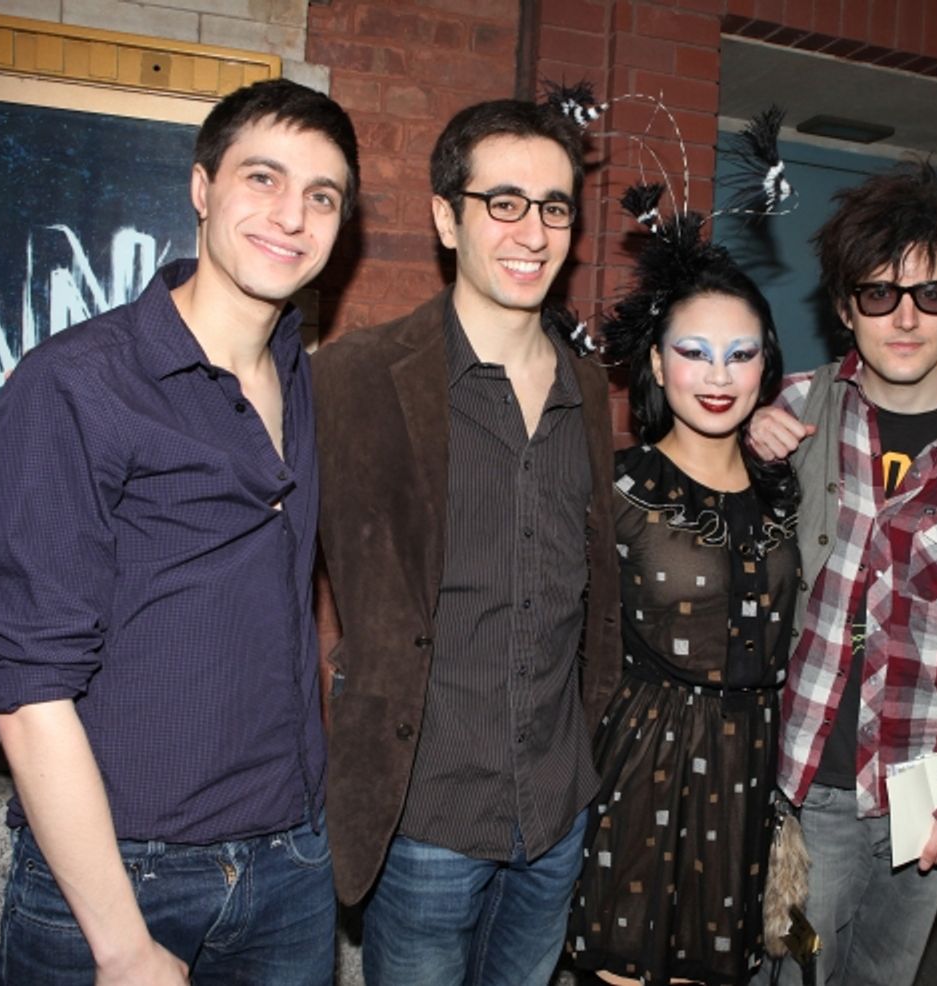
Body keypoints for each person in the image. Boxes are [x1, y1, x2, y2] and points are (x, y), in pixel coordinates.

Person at [0, 78, 359, 986]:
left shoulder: (302, 376)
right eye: (263, 178)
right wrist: (120, 943)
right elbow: (27, 690)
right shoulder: (77, 385)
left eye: (322, 195)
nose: (291, 215)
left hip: (292, 861)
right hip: (121, 876)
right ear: (202, 187)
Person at [311, 98, 621, 986]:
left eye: (555, 207)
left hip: (558, 810)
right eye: (505, 202)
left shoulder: (589, 391)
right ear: (448, 216)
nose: (533, 232)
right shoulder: (357, 378)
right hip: (426, 819)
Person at [749, 161, 937, 986]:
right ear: (846, 307)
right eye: (880, 293)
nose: (906, 317)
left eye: (932, 294)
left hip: (929, 788)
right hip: (806, 784)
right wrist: (742, 449)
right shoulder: (794, 407)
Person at [566, 197, 801, 985]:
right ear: (658, 364)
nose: (718, 375)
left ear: (766, 367)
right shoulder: (619, 487)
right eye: (694, 352)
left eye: (740, 355)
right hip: (638, 768)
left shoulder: (783, 489)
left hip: (746, 766)